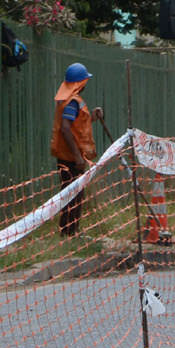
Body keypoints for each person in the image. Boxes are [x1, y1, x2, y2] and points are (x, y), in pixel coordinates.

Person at [52, 63, 102, 237]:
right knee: (73, 196)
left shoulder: (71, 100)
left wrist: (93, 116)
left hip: (69, 156)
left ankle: (70, 232)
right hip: (71, 158)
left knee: (74, 195)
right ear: (80, 82)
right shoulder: (72, 102)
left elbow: (78, 126)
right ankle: (68, 233)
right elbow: (66, 128)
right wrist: (77, 157)